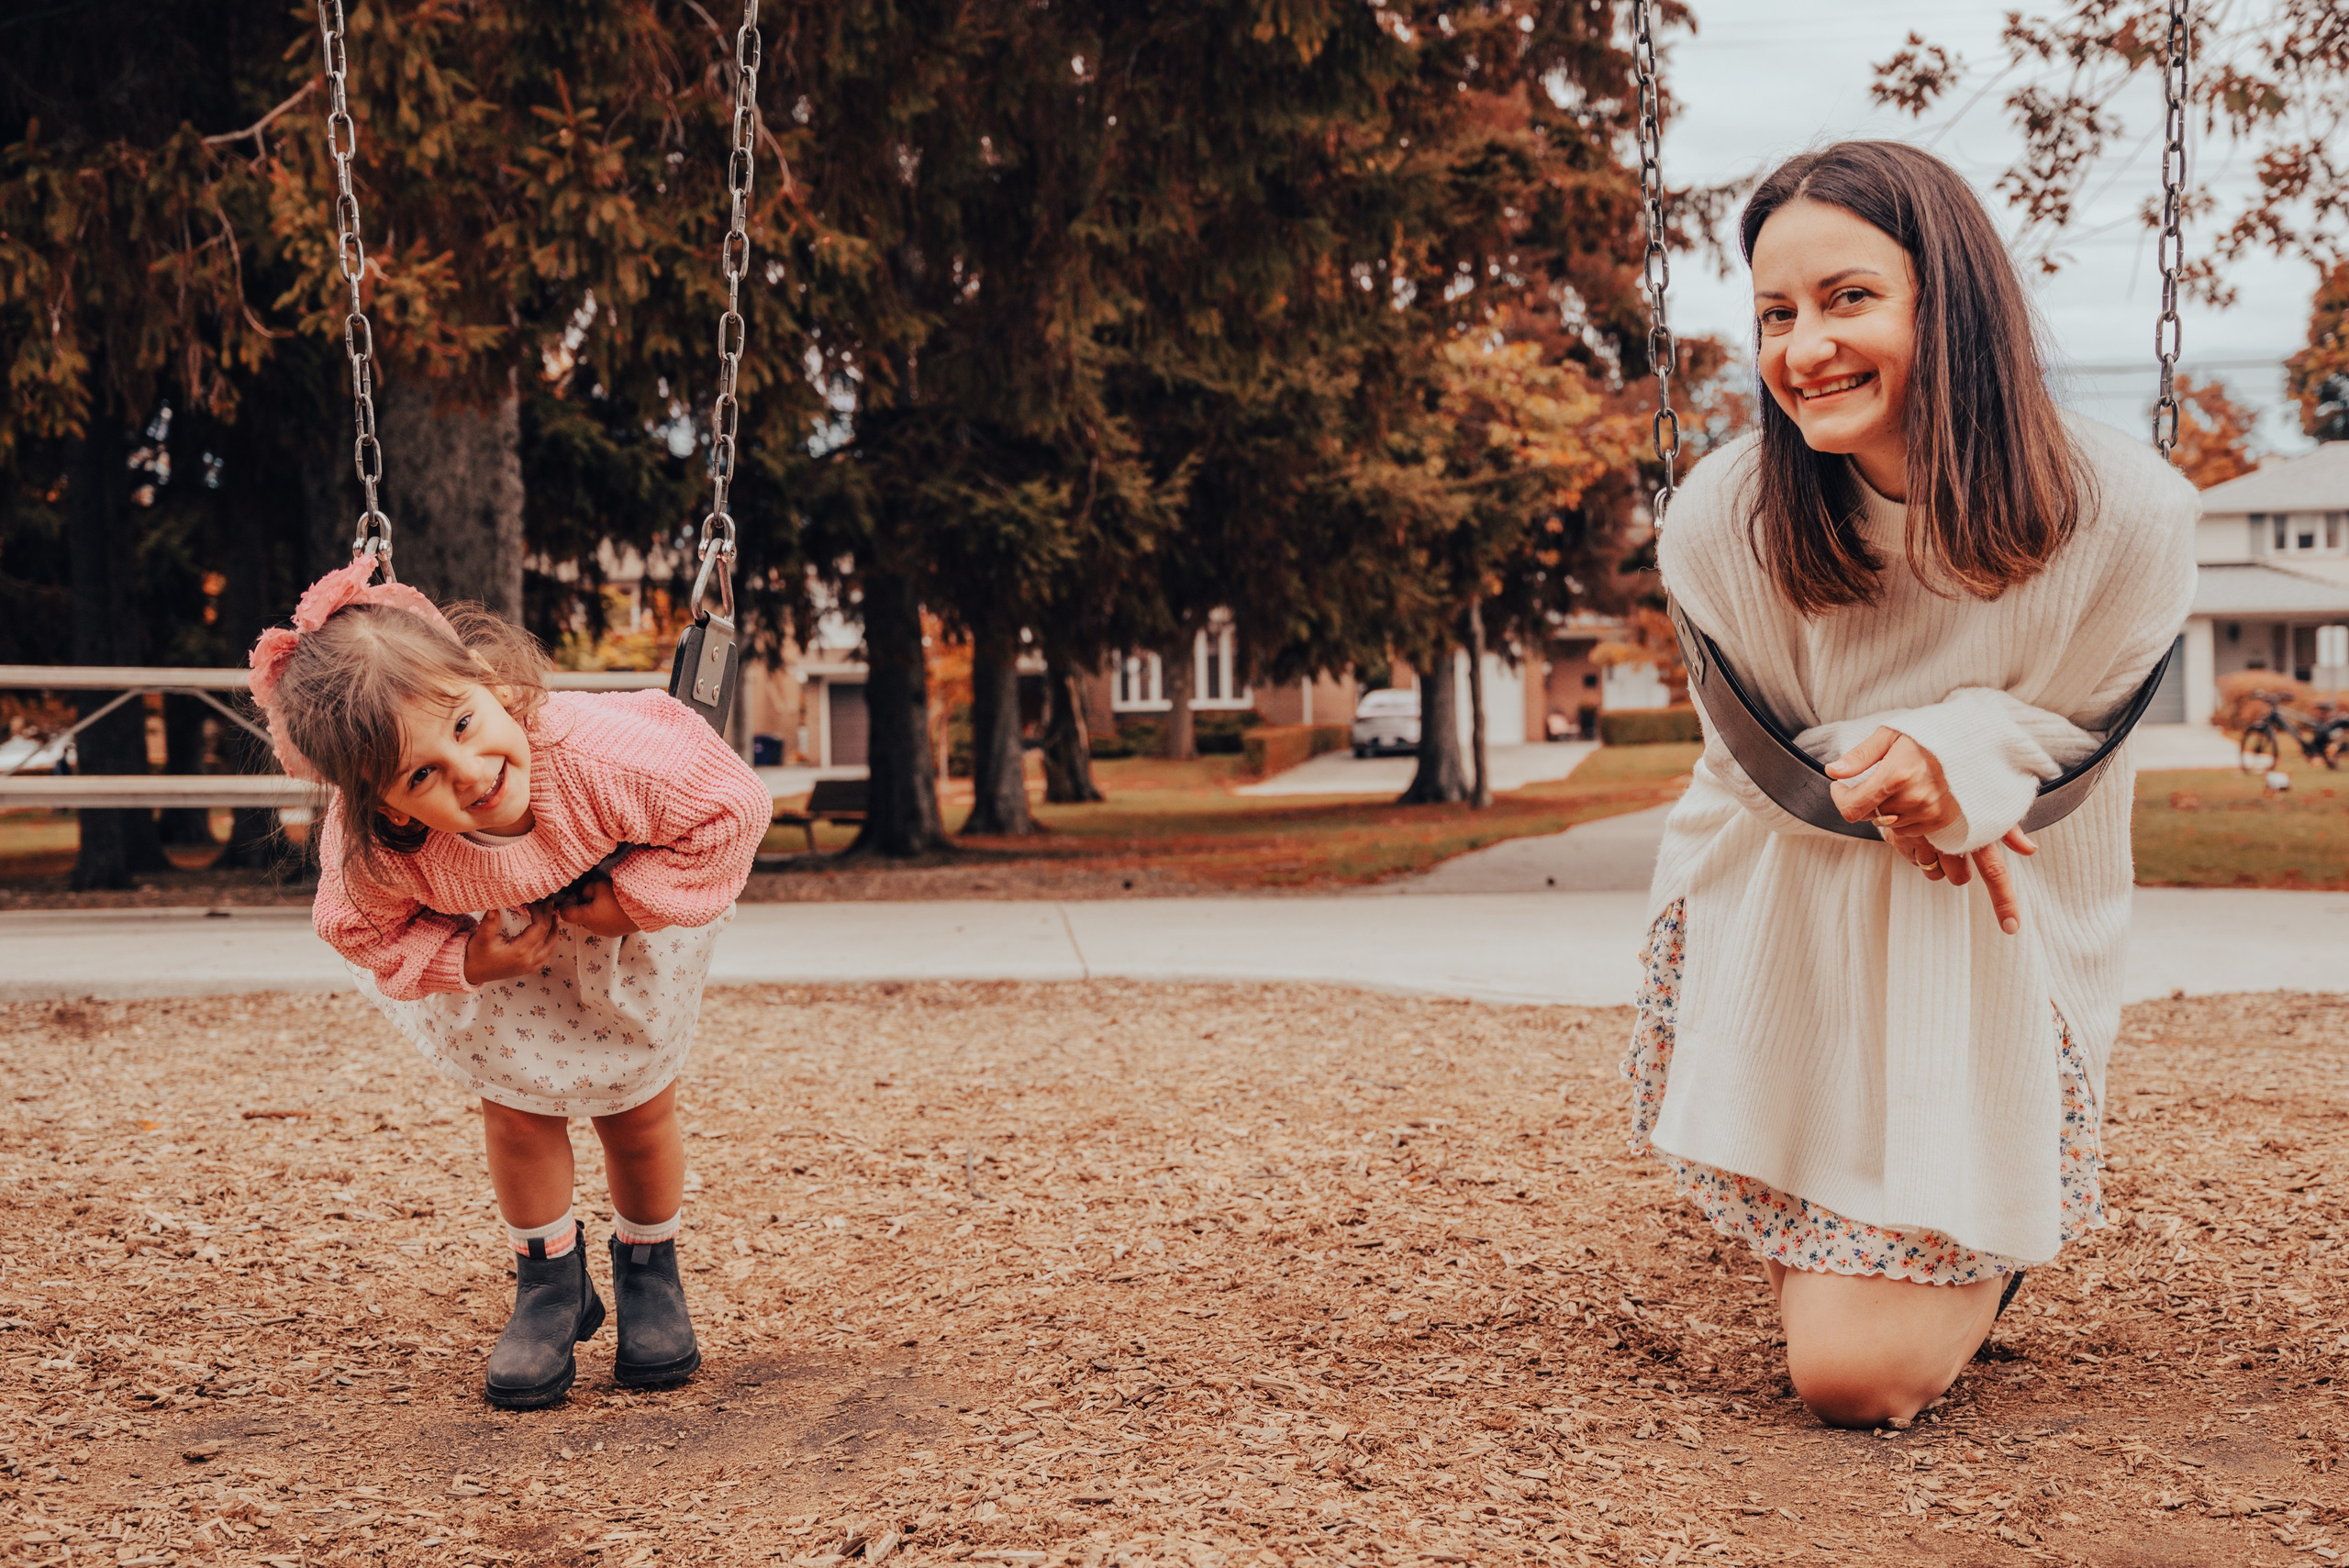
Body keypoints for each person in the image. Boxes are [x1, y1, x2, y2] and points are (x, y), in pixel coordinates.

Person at [1626, 140, 2196, 1428]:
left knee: (1853, 1378)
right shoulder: (1728, 515)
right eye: (1775, 313)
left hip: (1988, 925)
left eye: (1846, 299)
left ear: (1954, 304)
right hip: (1788, 902)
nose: (1802, 349)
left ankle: (1947, 1246)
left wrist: (1971, 758)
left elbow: (2079, 736)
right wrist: (1902, 780)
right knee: (1840, 1315)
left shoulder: (2128, 517)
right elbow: (1755, 751)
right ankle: (1859, 1229)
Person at [249, 561, 770, 1408]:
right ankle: (549, 1285)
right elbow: (356, 927)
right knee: (519, 1120)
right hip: (504, 969)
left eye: (464, 721)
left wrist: (629, 900)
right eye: (422, 776)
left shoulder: (607, 755)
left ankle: (650, 1273)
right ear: (384, 803)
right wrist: (469, 962)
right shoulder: (383, 848)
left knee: (638, 1116)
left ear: (488, 682)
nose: (469, 771)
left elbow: (734, 808)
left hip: (623, 947)